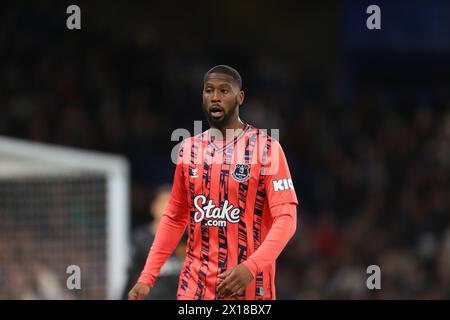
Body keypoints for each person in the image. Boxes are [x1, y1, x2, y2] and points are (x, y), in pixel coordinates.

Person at [128, 65, 298, 300]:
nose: (215, 97)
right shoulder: (189, 149)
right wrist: (147, 277)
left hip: (249, 287)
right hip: (194, 290)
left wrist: (251, 267)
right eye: (209, 90)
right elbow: (175, 217)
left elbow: (287, 219)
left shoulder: (267, 149)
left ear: (240, 97)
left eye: (224, 91)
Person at [123, 185, 185, 300]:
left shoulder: (188, 236)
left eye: (173, 202)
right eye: (164, 202)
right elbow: (132, 274)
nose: (168, 207)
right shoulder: (141, 238)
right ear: (153, 207)